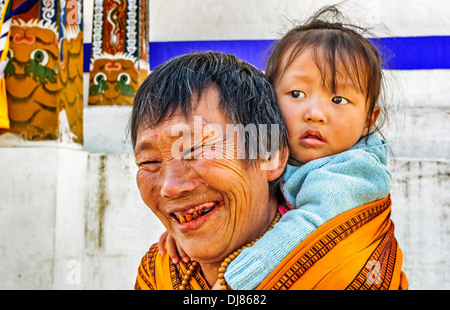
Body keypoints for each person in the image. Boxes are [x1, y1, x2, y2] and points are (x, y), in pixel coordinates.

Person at [159, 6, 407, 290]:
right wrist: (189, 231)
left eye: (338, 99)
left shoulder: (353, 173)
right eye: (297, 94)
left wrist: (237, 280)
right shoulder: (263, 154)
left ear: (368, 120)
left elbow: (311, 225)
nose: (315, 113)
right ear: (269, 101)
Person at [132, 51, 290, 289]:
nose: (170, 187)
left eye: (195, 149)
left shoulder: (341, 264)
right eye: (149, 162)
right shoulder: (158, 272)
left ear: (270, 155)